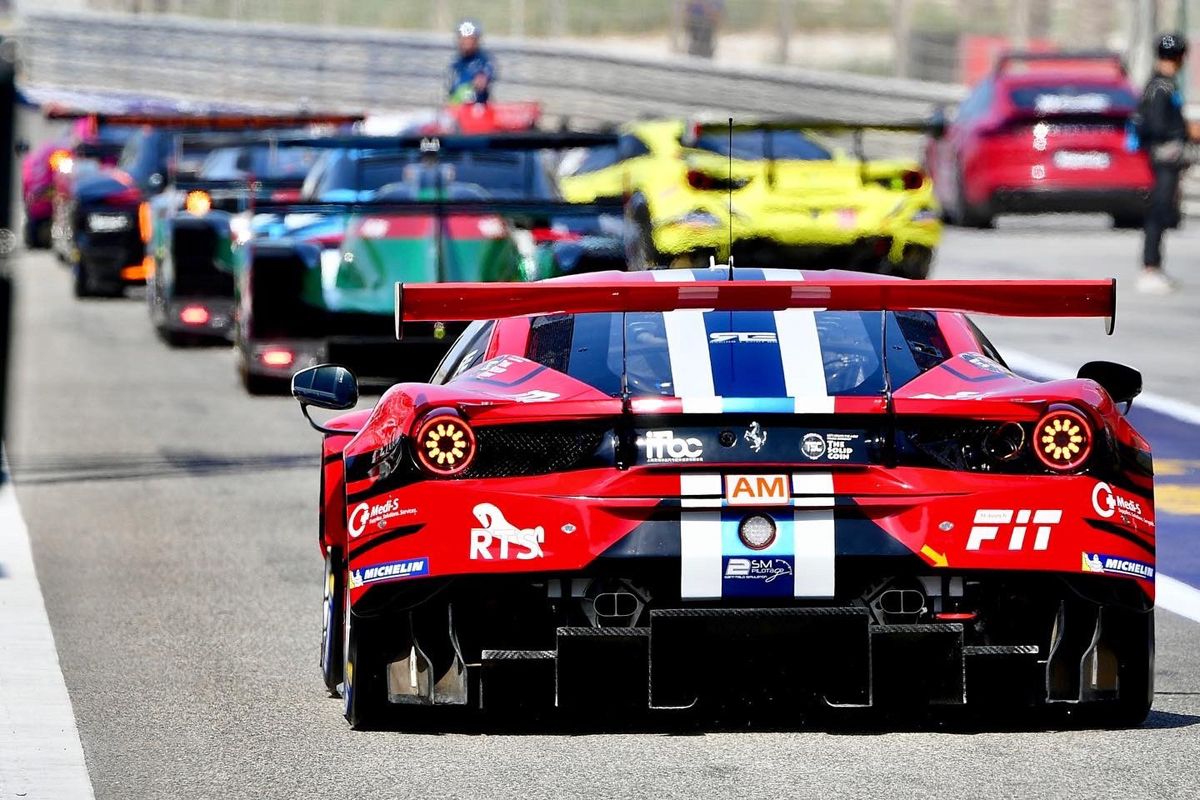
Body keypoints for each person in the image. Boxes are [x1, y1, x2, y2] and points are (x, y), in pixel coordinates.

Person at [1135, 32, 1195, 294]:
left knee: (1164, 211)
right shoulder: (1161, 87)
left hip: (1164, 157)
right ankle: (1150, 267)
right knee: (1158, 211)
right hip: (1163, 158)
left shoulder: (1163, 84)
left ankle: (1155, 267)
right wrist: (1182, 133)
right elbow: (1157, 125)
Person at [447, 19, 496, 105]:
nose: (466, 42)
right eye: (462, 38)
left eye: (470, 38)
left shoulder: (484, 60)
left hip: (477, 109)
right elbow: (451, 89)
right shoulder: (455, 62)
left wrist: (478, 83)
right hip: (456, 109)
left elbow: (483, 79)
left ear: (476, 40)